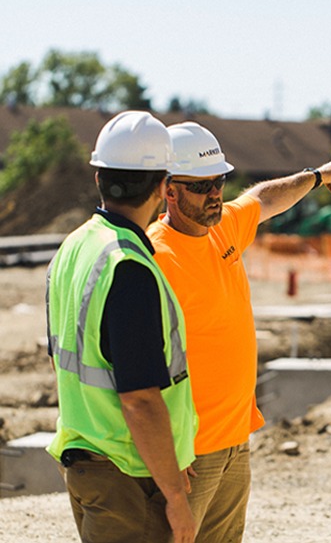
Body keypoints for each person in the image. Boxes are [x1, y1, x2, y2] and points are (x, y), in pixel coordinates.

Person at [146, 121, 331, 543]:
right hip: (190, 451)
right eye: (201, 186)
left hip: (235, 440)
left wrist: (314, 177)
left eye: (219, 181)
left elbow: (264, 197)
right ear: (170, 191)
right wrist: (167, 456)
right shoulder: (157, 256)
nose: (215, 194)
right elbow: (146, 364)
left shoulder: (223, 226)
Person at [46, 111, 199, 543]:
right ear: (164, 186)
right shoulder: (128, 265)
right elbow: (140, 400)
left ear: (99, 179)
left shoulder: (75, 247)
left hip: (87, 460)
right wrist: (174, 495)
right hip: (128, 475)